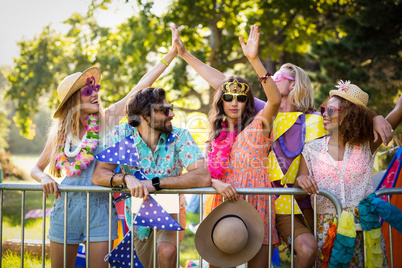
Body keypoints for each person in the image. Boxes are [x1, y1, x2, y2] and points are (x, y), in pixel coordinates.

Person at [173, 25, 394, 267]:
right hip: (274, 201)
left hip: (311, 201)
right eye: (272, 75)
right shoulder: (263, 110)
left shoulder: (318, 120)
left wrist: (375, 116)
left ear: (294, 84)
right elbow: (224, 84)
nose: (272, 77)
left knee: (321, 252)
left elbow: (348, 115)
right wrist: (185, 54)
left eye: (281, 76)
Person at [30, 26, 180, 268]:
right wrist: (43, 178)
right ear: (73, 100)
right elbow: (36, 168)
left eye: (95, 88)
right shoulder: (60, 133)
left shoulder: (106, 120)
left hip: (100, 207)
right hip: (66, 205)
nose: (95, 93)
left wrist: (170, 55)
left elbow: (139, 87)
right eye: (87, 91)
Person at [176, 24, 281, 267]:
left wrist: (254, 60)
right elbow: (203, 172)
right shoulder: (214, 136)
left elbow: (274, 99)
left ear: (248, 102)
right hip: (223, 200)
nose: (234, 102)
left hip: (258, 200)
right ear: (220, 101)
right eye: (228, 97)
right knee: (219, 262)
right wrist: (215, 182)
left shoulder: (260, 126)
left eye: (241, 98)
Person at [91, 85, 211, 267]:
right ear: (143, 116)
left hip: (171, 211)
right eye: (164, 110)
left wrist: (154, 183)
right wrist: (126, 178)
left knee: (167, 252)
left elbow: (202, 176)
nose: (171, 114)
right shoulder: (122, 134)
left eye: (171, 108)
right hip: (138, 217)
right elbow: (99, 175)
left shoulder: (180, 136)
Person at [295, 81, 397, 267]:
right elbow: (299, 189)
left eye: (331, 111)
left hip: (365, 229)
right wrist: (301, 180)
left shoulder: (367, 144)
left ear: (350, 116)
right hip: (328, 233)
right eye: (324, 109)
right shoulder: (311, 149)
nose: (324, 114)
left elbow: (399, 110)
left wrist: (378, 117)